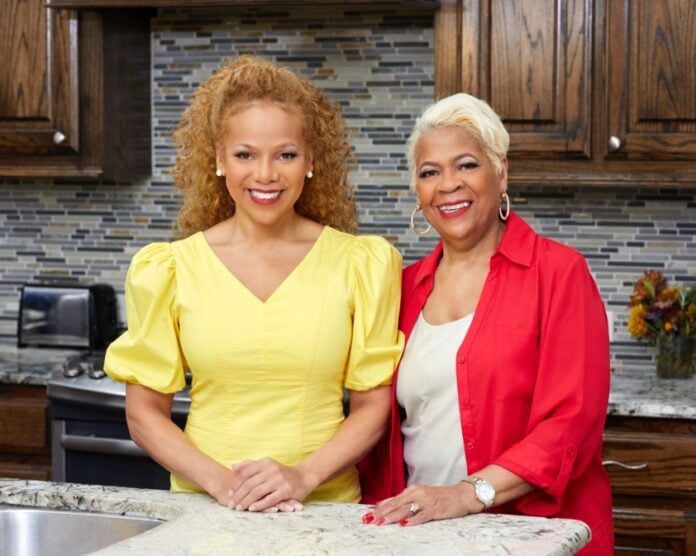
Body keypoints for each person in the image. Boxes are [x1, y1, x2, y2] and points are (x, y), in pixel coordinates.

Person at [104, 55, 404, 513]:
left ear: (310, 161)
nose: (265, 174)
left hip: (325, 508)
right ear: (220, 159)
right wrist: (226, 486)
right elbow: (144, 413)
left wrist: (302, 477)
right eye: (245, 154)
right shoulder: (169, 268)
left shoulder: (361, 263)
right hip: (205, 508)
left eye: (285, 154)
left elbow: (372, 407)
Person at [359, 93, 612, 554]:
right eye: (429, 172)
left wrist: (466, 494)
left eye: (466, 165)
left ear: (501, 172)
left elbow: (570, 423)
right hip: (418, 535)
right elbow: (378, 424)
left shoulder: (559, 274)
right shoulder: (400, 287)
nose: (447, 184)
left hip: (530, 536)